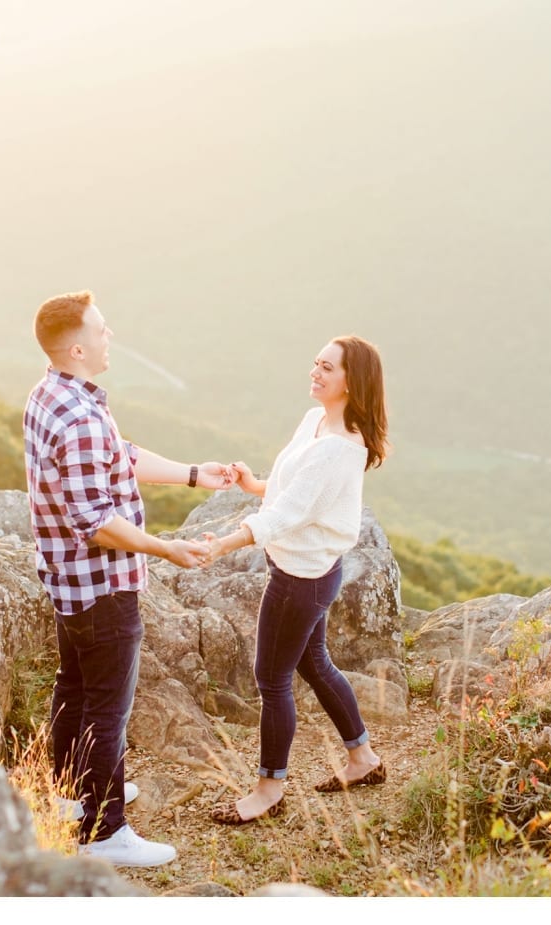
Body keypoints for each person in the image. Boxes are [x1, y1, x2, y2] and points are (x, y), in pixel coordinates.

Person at [23, 290, 235, 867]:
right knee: (107, 708)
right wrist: (166, 548)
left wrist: (193, 474)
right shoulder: (80, 416)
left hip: (67, 580)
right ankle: (104, 831)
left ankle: (71, 794)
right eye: (101, 329)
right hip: (102, 585)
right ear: (76, 347)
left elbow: (121, 454)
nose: (109, 335)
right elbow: (96, 524)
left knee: (76, 688)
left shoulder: (52, 395)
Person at [199, 335, 390, 824]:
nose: (315, 372)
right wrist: (253, 485)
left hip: (300, 580)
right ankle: (363, 759)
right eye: (316, 363)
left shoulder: (340, 449)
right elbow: (290, 493)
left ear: (353, 382)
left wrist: (221, 543)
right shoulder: (316, 422)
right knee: (315, 665)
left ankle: (268, 789)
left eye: (327, 368)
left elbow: (285, 516)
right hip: (311, 571)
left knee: (272, 679)